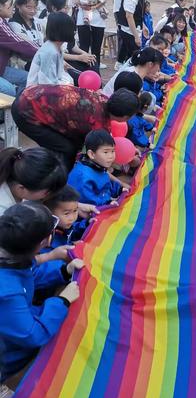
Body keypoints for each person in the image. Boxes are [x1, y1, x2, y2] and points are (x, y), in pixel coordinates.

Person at [0, 202, 82, 381]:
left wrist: (63, 271)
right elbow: (32, 335)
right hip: (7, 354)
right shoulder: (7, 292)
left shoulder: (11, 254)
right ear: (45, 242)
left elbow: (30, 274)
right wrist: (62, 302)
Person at [12, 86, 139, 170]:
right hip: (25, 112)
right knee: (67, 149)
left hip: (29, 93)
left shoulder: (103, 99)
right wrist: (123, 160)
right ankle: (55, 183)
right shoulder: (97, 123)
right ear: (124, 117)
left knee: (72, 143)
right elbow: (89, 151)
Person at [0, 147, 67, 216]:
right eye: (47, 192)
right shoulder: (4, 214)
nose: (49, 195)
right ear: (21, 188)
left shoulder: (12, 169)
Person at [67, 130, 123, 206]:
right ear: (92, 154)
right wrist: (107, 203)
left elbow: (105, 185)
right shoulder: (83, 176)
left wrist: (119, 189)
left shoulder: (98, 166)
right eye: (106, 152)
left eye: (113, 151)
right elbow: (88, 202)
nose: (111, 156)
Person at [0, 0, 38, 96]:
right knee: (9, 91)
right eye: (10, 5)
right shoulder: (1, 24)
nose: (12, 8)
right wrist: (42, 53)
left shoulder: (3, 21)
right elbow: (19, 43)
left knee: (28, 78)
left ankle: (17, 107)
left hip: (2, 69)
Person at [75, 0, 107, 71]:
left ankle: (95, 72)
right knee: (83, 47)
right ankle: (82, 73)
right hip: (82, 19)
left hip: (98, 20)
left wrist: (92, 7)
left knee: (96, 49)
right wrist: (80, 3)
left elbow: (103, 0)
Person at [27, 12, 75, 87]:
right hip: (38, 93)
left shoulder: (56, 47)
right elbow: (47, 83)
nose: (74, 31)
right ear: (63, 30)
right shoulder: (50, 52)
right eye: (71, 28)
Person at [117, 0, 155, 64]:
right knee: (135, 59)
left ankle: (121, 66)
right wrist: (136, 37)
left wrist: (143, 26)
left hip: (133, 31)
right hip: (128, 31)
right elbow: (129, 16)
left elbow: (137, 15)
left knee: (128, 57)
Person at [113, 0, 133, 70]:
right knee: (123, 35)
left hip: (121, 11)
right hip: (120, 11)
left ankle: (122, 60)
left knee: (125, 35)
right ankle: (119, 61)